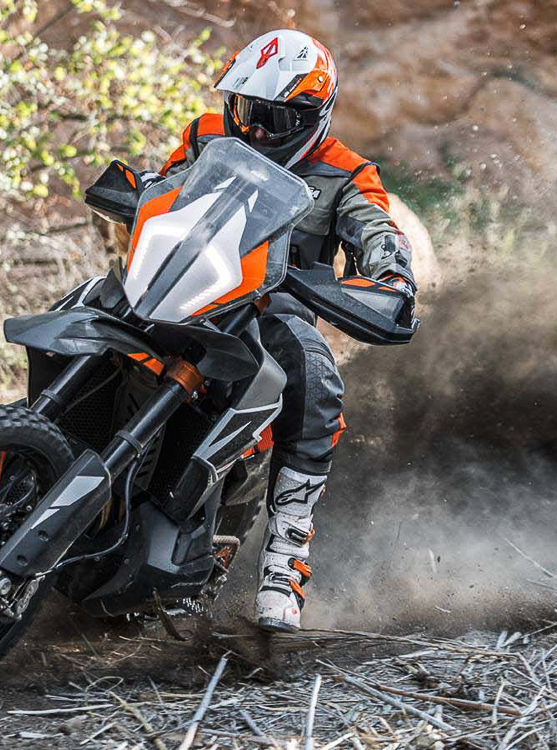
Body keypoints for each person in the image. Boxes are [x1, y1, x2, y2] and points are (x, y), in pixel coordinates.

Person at [157, 29, 417, 632]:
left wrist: (391, 270)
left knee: (314, 371)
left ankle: (284, 559)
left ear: (307, 116)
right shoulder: (206, 135)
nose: (252, 129)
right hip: (176, 290)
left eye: (270, 117)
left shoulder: (348, 173)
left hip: (266, 314)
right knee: (86, 302)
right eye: (244, 108)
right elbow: (164, 186)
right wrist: (137, 188)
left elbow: (378, 228)